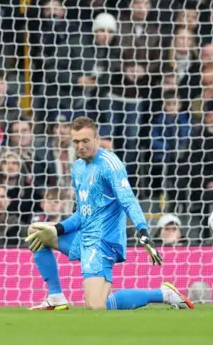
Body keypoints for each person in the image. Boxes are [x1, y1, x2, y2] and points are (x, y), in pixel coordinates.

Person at [25, 117, 194, 311]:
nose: (80, 146)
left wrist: (143, 231)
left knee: (96, 306)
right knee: (35, 231)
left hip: (103, 242)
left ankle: (164, 294)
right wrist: (57, 229)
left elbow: (129, 200)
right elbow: (82, 214)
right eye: (76, 142)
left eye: (85, 141)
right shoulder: (78, 168)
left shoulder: (110, 165)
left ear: (97, 139)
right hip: (85, 238)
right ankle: (56, 297)